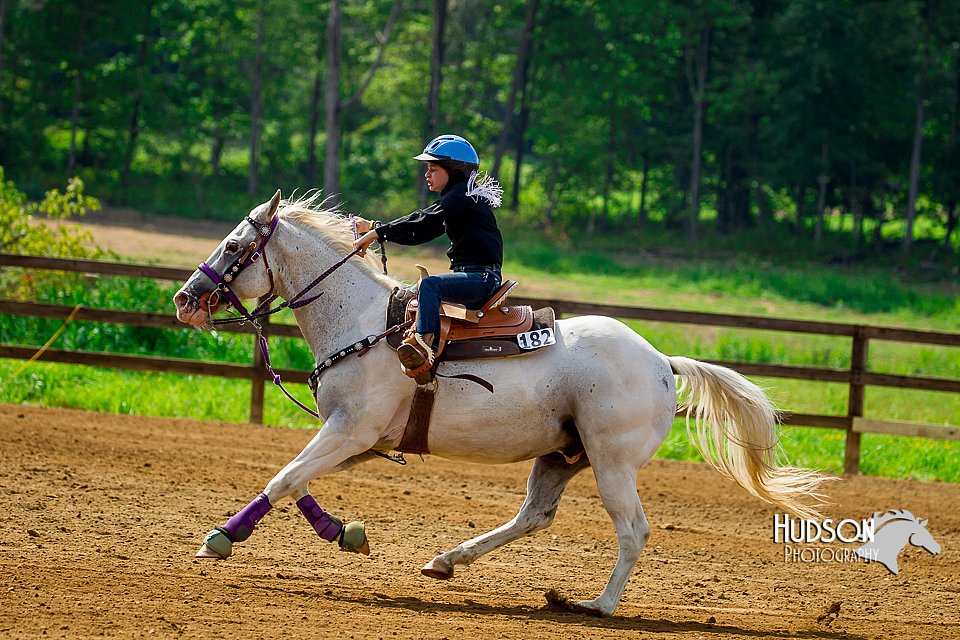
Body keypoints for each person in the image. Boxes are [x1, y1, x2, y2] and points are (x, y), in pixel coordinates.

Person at [353, 134, 504, 382]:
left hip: (482, 279)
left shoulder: (459, 198)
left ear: (454, 170)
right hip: (477, 276)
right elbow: (420, 230)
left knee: (430, 285)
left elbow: (424, 218)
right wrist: (376, 228)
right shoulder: (458, 200)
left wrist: (377, 232)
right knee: (417, 292)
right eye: (427, 169)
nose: (427, 174)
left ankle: (422, 347)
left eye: (433, 168)